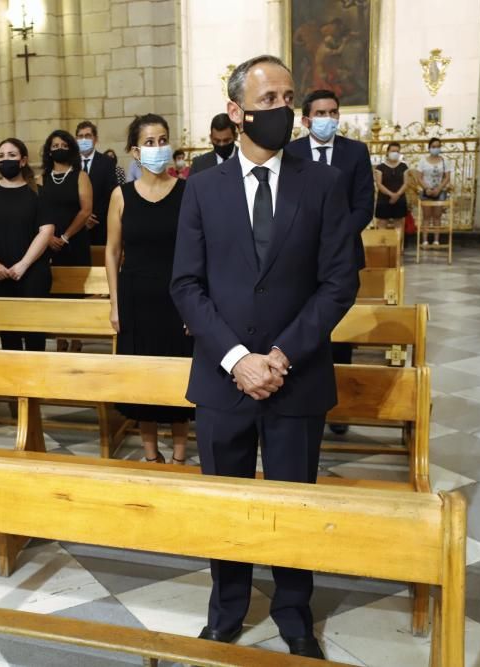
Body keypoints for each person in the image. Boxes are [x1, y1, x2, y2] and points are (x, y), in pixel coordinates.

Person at [170, 55, 358, 660]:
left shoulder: (321, 183)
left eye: (287, 97)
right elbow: (186, 286)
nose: (284, 110)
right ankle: (226, 608)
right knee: (224, 502)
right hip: (224, 381)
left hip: (295, 378)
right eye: (269, 99)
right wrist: (235, 359)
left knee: (292, 502)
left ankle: (293, 610)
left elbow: (339, 282)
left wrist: (280, 354)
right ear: (237, 112)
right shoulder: (200, 189)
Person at [106, 114, 193, 465]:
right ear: (135, 152)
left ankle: (180, 455)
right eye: (150, 142)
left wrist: (195, 305)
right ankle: (150, 453)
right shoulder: (121, 195)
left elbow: (198, 250)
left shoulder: (188, 191)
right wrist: (114, 304)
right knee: (143, 377)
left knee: (179, 375)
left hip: (178, 298)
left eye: (163, 140)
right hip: (136, 298)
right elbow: (113, 252)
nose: (159, 148)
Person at [286, 89, 373, 436]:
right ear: (306, 120)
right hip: (298, 258)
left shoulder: (355, 152)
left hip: (341, 257)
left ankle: (338, 410)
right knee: (300, 324)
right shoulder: (290, 152)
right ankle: (297, 399)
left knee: (337, 332)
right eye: (320, 113)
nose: (328, 118)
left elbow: (364, 205)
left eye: (333, 112)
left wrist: (333, 237)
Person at [0, 138, 54, 351]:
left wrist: (23, 265)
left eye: (11, 155)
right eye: (1, 156)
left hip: (33, 272)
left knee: (34, 331)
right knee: (8, 333)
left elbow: (46, 231)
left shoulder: (38, 192)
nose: (5, 160)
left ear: (23, 160)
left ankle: (36, 379)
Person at [38, 129, 93, 352]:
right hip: (48, 243)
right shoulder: (40, 178)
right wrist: (48, 237)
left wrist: (65, 236)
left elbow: (86, 210)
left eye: (63, 145)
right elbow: (36, 211)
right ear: (49, 151)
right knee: (54, 292)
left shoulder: (80, 176)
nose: (59, 149)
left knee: (76, 293)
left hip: (75, 242)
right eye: (55, 146)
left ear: (70, 148)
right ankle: (61, 338)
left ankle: (77, 337)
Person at [75, 120, 119, 246]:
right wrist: (82, 217)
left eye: (88, 136)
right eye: (80, 136)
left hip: (100, 224)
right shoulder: (71, 164)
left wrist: (92, 216)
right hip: (75, 225)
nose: (84, 139)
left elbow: (111, 192)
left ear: (95, 139)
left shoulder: (107, 162)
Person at [414, 138, 452, 246]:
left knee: (437, 216)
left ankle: (436, 240)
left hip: (440, 191)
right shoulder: (423, 161)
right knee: (426, 216)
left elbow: (447, 177)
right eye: (433, 147)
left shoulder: (445, 160)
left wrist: (439, 189)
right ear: (429, 148)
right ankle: (425, 240)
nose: (436, 148)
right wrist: (427, 189)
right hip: (426, 192)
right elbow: (419, 177)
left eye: (438, 146)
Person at [374, 142, 409, 228]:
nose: (395, 153)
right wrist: (391, 195)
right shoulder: (380, 167)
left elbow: (406, 183)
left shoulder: (403, 166)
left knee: (399, 223)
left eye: (397, 151)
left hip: (400, 198)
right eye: (393, 151)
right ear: (387, 152)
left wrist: (397, 195)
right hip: (384, 199)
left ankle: (398, 241)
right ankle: (382, 242)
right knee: (382, 222)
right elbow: (379, 184)